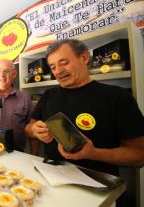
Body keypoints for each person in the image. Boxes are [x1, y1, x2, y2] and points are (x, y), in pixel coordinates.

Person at [24, 39, 144, 176]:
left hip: (98, 184)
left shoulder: (117, 97)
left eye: (64, 63)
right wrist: (34, 130)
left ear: (84, 57)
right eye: (53, 67)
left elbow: (139, 155)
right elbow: (28, 128)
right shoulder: (48, 95)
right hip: (51, 177)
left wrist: (94, 153)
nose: (58, 71)